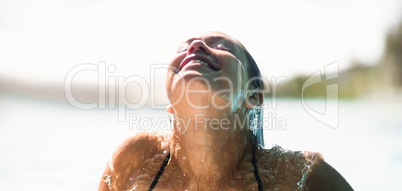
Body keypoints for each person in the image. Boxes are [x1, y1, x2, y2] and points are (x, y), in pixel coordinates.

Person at [98, 31, 353, 191]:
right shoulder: (137, 159)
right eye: (182, 49)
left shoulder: (300, 176)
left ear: (252, 96)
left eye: (224, 47)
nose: (195, 45)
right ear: (171, 108)